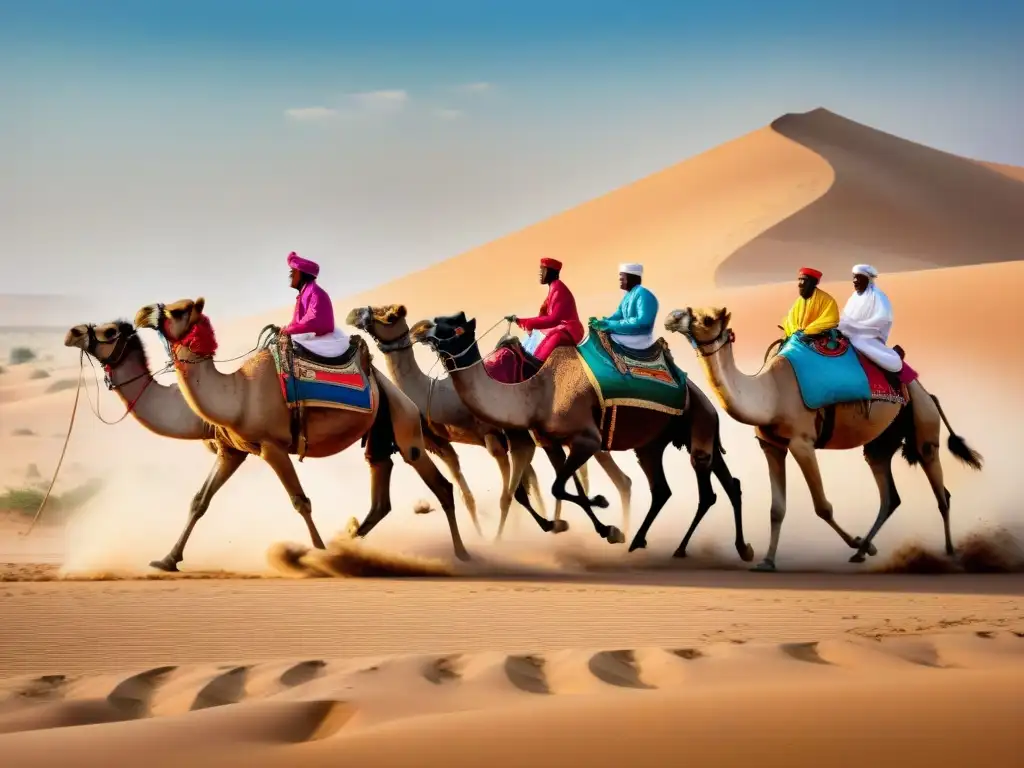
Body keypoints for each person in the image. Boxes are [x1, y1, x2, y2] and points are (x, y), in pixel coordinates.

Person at [505, 257, 585, 361]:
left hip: (569, 331)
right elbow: (542, 316)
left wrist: (526, 323)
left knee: (539, 355)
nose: (540, 273)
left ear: (551, 272)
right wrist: (518, 320)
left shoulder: (558, 288)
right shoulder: (553, 288)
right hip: (560, 330)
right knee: (534, 346)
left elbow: (553, 319)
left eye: (543, 269)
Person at [282, 251, 350, 358]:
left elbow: (312, 321)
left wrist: (290, 330)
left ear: (299, 274)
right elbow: (297, 322)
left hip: (323, 340)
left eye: (292, 272)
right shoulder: (304, 294)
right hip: (310, 335)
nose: (290, 276)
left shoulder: (316, 293)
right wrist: (287, 328)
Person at [838, 263, 902, 372]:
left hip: (867, 336)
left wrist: (857, 328)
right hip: (849, 331)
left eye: (859, 277)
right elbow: (846, 317)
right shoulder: (853, 298)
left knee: (859, 342)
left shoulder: (878, 296)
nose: (855, 281)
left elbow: (883, 319)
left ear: (868, 279)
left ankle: (890, 357)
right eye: (854, 277)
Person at [590, 263, 658, 350]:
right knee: (599, 334)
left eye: (623, 276)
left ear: (632, 278)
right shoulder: (628, 295)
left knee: (607, 339)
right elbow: (618, 315)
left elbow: (642, 323)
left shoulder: (643, 295)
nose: (620, 279)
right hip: (629, 334)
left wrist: (609, 324)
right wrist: (603, 322)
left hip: (640, 337)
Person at [781, 267, 840, 339]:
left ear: (812, 283)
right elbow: (790, 318)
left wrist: (807, 331)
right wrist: (794, 330)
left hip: (815, 338)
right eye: (800, 280)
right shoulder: (799, 301)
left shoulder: (827, 300)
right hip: (797, 337)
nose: (800, 284)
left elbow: (831, 320)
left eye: (804, 281)